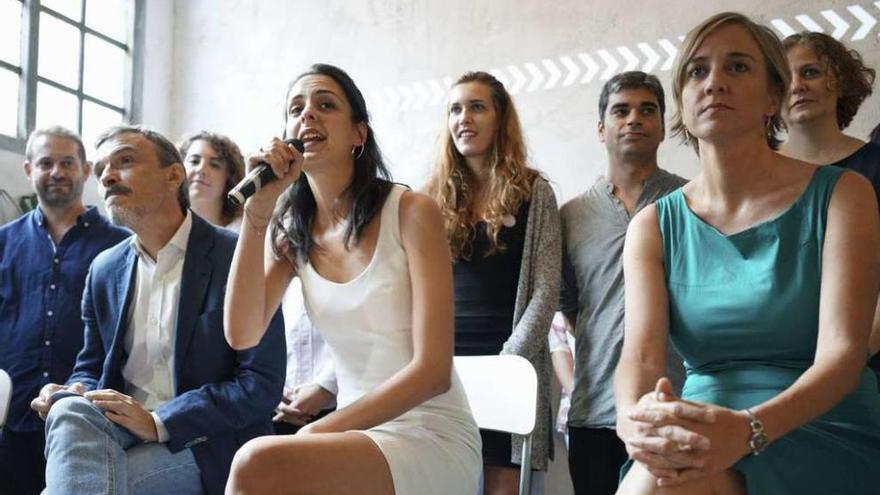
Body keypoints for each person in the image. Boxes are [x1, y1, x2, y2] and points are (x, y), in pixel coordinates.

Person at [613, 12, 880, 494]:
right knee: (652, 479)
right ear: (683, 101)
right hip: (704, 424)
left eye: (737, 67)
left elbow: (843, 355)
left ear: (773, 96)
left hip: (821, 424)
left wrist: (747, 430)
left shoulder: (845, 194)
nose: (714, 82)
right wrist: (634, 426)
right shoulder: (652, 226)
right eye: (697, 71)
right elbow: (642, 355)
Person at [223, 63, 481, 495]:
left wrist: (316, 433)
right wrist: (257, 214)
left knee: (256, 464)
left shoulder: (412, 211)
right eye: (296, 109)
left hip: (431, 433)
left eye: (325, 105)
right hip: (355, 437)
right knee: (263, 466)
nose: (307, 116)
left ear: (359, 134)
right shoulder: (291, 233)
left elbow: (433, 371)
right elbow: (241, 333)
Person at [31, 125, 286, 495]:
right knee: (68, 411)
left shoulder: (239, 256)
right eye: (101, 168)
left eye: (125, 161)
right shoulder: (104, 269)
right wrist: (73, 389)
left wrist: (158, 421)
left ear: (174, 175)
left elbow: (260, 385)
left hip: (206, 441)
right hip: (116, 428)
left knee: (103, 484)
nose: (107, 176)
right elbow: (91, 366)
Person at [426, 70, 560, 495]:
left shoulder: (535, 192)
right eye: (455, 109)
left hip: (509, 365)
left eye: (477, 106)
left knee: (504, 484)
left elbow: (546, 288)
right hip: (444, 368)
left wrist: (509, 364)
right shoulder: (429, 199)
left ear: (500, 118)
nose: (464, 117)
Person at [558, 71, 686, 495]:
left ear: (663, 127)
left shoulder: (691, 201)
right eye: (621, 110)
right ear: (601, 128)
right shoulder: (571, 216)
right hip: (593, 411)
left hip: (675, 405)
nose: (634, 119)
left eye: (647, 110)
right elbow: (573, 309)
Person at [0, 126, 129, 495]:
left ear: (86, 170)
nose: (56, 171)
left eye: (67, 162)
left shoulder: (121, 246)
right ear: (28, 170)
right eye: (45, 163)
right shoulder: (3, 242)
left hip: (89, 420)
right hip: (13, 420)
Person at [778, 32, 880, 371]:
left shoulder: (876, 164)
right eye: (785, 77)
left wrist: (851, 357)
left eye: (810, 72)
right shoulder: (751, 173)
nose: (797, 86)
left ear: (839, 80)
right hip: (773, 364)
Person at [179, 131, 246, 231]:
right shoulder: (162, 227)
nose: (201, 170)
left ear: (230, 177)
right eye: (194, 161)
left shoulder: (242, 232)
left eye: (214, 165)